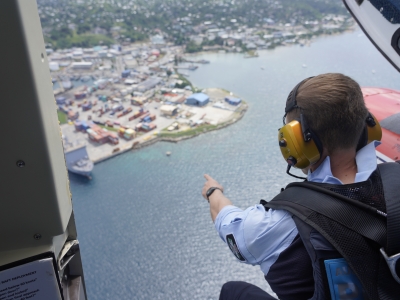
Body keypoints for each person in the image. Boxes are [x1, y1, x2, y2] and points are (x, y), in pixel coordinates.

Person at [201, 73, 400, 299]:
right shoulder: (395, 178)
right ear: (367, 125)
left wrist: (212, 192)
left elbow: (227, 222)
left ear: (297, 144)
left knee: (233, 291)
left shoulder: (275, 225)